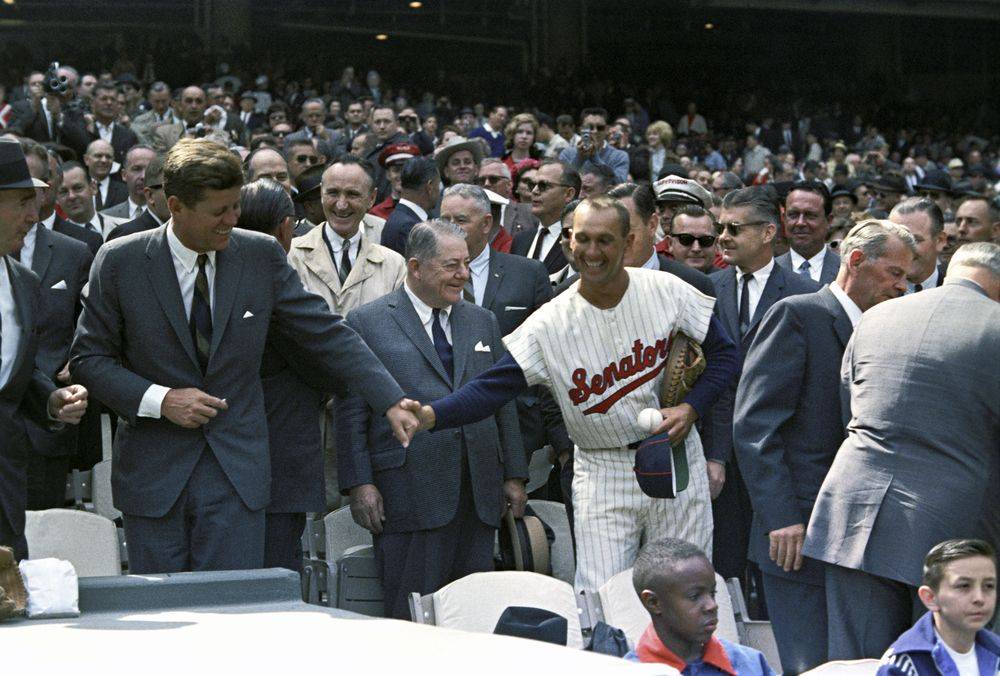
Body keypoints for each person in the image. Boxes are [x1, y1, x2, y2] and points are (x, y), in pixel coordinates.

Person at [69, 138, 420, 574]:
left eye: (236, 206)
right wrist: (161, 400)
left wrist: (388, 397)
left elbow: (324, 331)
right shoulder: (120, 260)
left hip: (236, 475)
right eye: (220, 211)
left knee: (232, 617)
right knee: (159, 612)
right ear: (175, 205)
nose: (233, 220)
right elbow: (88, 359)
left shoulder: (259, 254)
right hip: (154, 478)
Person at [409, 196, 739, 591]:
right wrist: (432, 415)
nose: (592, 251)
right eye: (582, 239)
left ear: (628, 241)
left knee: (686, 588)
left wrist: (691, 407)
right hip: (602, 468)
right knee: (602, 594)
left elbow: (725, 356)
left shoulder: (669, 289)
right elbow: (492, 387)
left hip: (674, 458)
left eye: (604, 240)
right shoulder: (550, 320)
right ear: (569, 241)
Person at [804, 242, 1000, 660]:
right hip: (953, 524)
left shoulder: (877, 316)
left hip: (853, 512)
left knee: (858, 663)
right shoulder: (995, 325)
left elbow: (851, 409)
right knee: (947, 662)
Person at [735, 219, 914, 673]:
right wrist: (781, 518)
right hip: (797, 535)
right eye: (894, 273)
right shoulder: (798, 314)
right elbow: (756, 427)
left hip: (858, 539)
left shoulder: (888, 329)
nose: (902, 287)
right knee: (808, 664)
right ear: (856, 261)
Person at [337, 219, 528, 619]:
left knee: (474, 612)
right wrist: (360, 483)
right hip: (408, 492)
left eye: (465, 263)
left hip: (478, 494)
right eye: (450, 266)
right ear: (416, 267)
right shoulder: (367, 322)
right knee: (413, 613)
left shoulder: (482, 321)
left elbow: (503, 401)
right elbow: (351, 410)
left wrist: (513, 474)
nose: (462, 274)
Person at [705, 187, 820, 613]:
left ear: (769, 231)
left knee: (777, 572)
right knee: (724, 565)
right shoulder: (705, 288)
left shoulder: (804, 292)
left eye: (734, 228)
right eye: (720, 228)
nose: (722, 238)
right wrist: (715, 453)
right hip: (720, 456)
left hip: (779, 455)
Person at [287, 156, 407, 507]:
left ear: (371, 200)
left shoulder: (392, 263)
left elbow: (394, 340)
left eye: (353, 195)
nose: (341, 204)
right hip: (306, 408)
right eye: (332, 193)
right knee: (311, 516)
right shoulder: (290, 256)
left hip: (369, 414)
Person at [0, 138, 88, 559]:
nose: (33, 215)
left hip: (8, 475)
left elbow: (12, 376)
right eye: (20, 202)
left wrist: (49, 400)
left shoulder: (22, 282)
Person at [438, 184, 570, 464]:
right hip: (446, 429)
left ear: (487, 223)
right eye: (444, 220)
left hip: (520, 429)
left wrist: (558, 440)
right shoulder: (427, 277)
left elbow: (552, 354)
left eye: (460, 220)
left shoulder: (528, 273)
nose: (450, 229)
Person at [235, 178, 327, 571]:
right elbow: (323, 366)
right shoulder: (276, 286)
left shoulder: (223, 278)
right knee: (273, 582)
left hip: (235, 462)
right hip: (278, 458)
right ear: (286, 227)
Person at [625, 538, 777, 675]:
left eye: (713, 593)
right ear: (653, 602)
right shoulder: (629, 671)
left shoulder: (750, 663)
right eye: (694, 597)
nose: (712, 605)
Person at [878, 539, 999, 676]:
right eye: (964, 586)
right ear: (930, 598)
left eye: (989, 586)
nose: (979, 598)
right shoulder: (904, 665)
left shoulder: (995, 651)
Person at [510, 160, 579, 274]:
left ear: (568, 194)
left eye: (543, 186)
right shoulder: (521, 240)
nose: (534, 191)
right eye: (532, 185)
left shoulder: (578, 240)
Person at [775, 181, 841, 285]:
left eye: (810, 215)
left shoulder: (846, 271)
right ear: (783, 218)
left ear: (829, 220)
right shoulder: (767, 272)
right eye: (793, 215)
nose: (800, 223)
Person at [380, 156, 441, 256]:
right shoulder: (408, 228)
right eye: (438, 185)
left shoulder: (404, 219)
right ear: (430, 187)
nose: (439, 191)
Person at [889, 197, 947, 293]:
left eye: (914, 240)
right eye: (896, 240)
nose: (904, 249)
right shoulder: (873, 293)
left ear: (940, 240)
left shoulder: (956, 291)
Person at [106, 155, 169, 241]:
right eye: (169, 188)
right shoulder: (125, 236)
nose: (143, 176)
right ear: (150, 195)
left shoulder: (186, 233)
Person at [558, 107, 629, 183]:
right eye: (590, 127)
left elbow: (620, 184)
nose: (595, 131)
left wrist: (597, 161)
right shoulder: (567, 154)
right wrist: (579, 159)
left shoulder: (619, 156)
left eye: (600, 128)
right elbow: (561, 181)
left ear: (607, 130)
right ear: (581, 129)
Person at [57, 162, 113, 240]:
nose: (71, 196)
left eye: (77, 188)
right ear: (56, 199)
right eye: (63, 191)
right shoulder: (56, 239)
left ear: (93, 188)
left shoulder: (121, 228)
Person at [101, 144, 155, 221]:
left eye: (150, 169)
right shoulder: (106, 217)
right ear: (124, 175)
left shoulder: (170, 215)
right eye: (136, 169)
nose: (143, 176)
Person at [668, 205, 720, 275]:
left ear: (716, 244)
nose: (696, 248)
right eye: (686, 239)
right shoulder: (655, 282)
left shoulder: (732, 284)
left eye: (705, 240)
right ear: (670, 243)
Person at [83, 139, 127, 211]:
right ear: (86, 160)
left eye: (108, 157)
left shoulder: (125, 191)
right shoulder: (77, 190)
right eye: (98, 156)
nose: (104, 160)